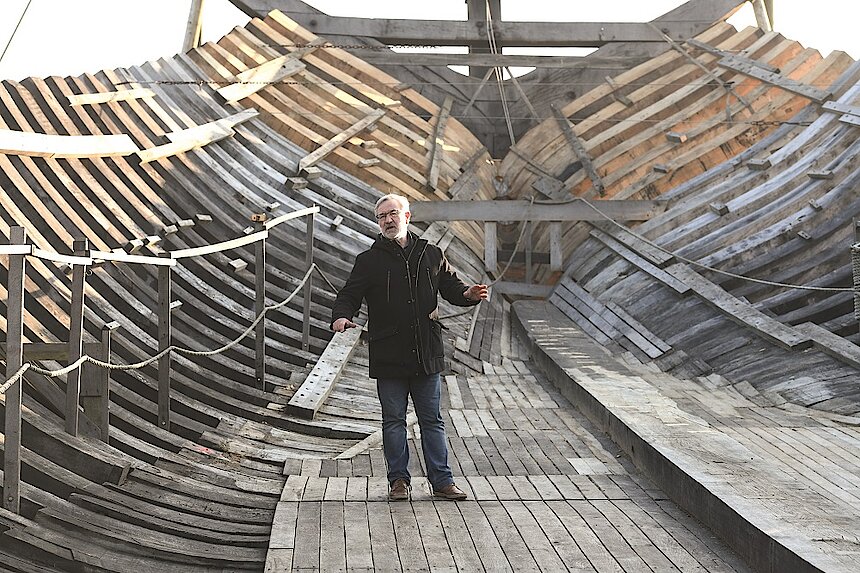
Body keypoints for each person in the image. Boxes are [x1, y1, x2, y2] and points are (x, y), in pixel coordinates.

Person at [331, 193, 488, 501]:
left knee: (432, 421)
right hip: (388, 352)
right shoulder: (369, 261)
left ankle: (442, 481)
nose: (387, 220)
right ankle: (398, 482)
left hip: (425, 351)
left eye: (393, 213)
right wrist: (341, 316)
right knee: (393, 422)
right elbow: (349, 294)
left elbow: (452, 289)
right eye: (381, 216)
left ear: (407, 216)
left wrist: (468, 294)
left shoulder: (431, 254)